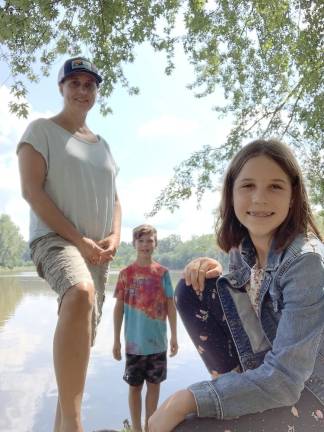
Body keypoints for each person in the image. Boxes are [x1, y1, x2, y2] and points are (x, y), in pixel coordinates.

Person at [148, 139, 324, 432]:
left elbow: (285, 380)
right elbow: (246, 316)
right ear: (231, 194)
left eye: (275, 187)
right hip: (268, 370)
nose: (259, 198)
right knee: (193, 289)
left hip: (311, 391)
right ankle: (234, 399)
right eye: (248, 186)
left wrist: (188, 398)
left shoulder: (306, 263)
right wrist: (221, 277)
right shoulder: (242, 249)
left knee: (190, 427)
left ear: (293, 196)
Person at [17, 56, 121, 432]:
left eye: (89, 84)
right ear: (61, 88)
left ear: (96, 92)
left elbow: (116, 198)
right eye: (74, 82)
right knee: (79, 292)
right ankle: (76, 424)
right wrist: (81, 240)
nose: (82, 90)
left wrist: (114, 236)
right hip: (56, 241)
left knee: (81, 347)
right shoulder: (41, 130)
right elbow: (32, 192)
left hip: (99, 254)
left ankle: (63, 424)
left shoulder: (104, 145)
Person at [113, 224, 178, 432]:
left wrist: (175, 336)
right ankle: (136, 429)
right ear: (134, 244)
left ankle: (150, 427)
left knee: (154, 387)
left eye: (149, 240)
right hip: (134, 344)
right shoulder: (125, 274)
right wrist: (116, 339)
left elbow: (170, 305)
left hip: (157, 342)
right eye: (141, 240)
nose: (145, 245)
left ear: (155, 244)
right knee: (134, 388)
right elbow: (118, 308)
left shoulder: (163, 273)